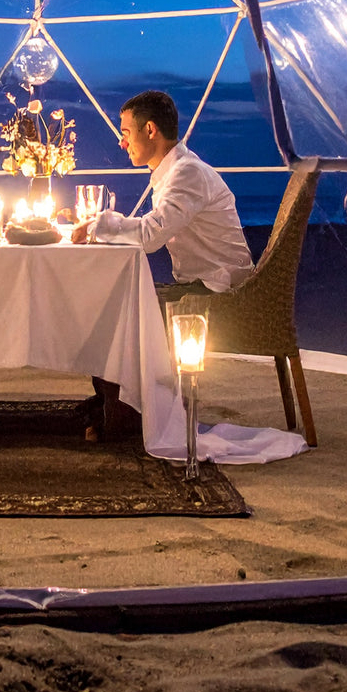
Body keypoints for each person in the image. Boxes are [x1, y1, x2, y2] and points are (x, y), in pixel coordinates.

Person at [71, 89, 254, 439]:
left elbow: (151, 236)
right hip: (203, 281)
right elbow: (154, 228)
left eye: (126, 133)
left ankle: (124, 417)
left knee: (119, 308)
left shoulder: (187, 173)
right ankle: (114, 402)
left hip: (217, 288)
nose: (122, 144)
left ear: (150, 130)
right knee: (114, 301)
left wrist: (100, 224)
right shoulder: (175, 172)